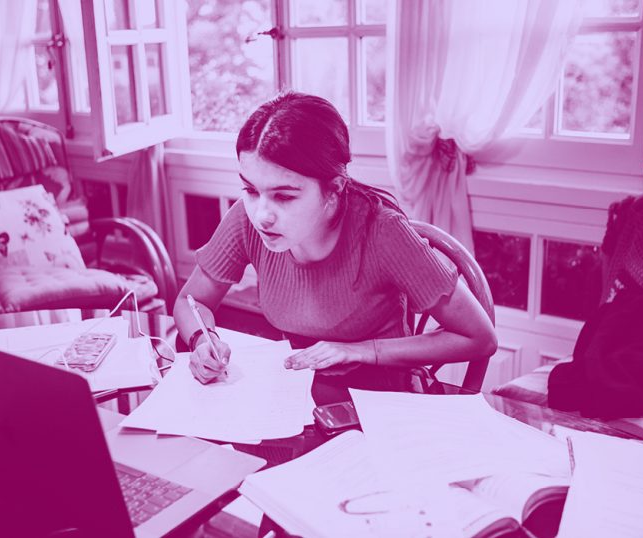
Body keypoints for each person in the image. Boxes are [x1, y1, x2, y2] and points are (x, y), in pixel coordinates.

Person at [173, 91, 497, 403]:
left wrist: (359, 350)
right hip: (298, 393)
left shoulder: (382, 231)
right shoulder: (247, 220)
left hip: (383, 399)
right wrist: (203, 338)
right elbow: (193, 301)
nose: (262, 216)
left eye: (284, 196)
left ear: (334, 188)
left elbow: (479, 338)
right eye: (251, 190)